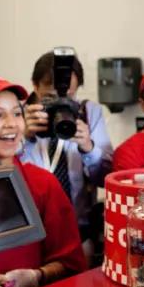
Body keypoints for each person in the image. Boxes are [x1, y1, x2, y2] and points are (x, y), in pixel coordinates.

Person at [0, 75, 88, 287]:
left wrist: (36, 276)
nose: (12, 123)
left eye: (17, 113)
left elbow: (71, 264)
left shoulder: (42, 184)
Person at [19, 52, 112, 252]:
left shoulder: (89, 112)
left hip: (78, 230)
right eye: (50, 98)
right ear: (35, 86)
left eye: (69, 97)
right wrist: (23, 138)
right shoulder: (16, 114)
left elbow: (106, 178)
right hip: (28, 233)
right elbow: (1, 170)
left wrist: (89, 148)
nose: (61, 104)